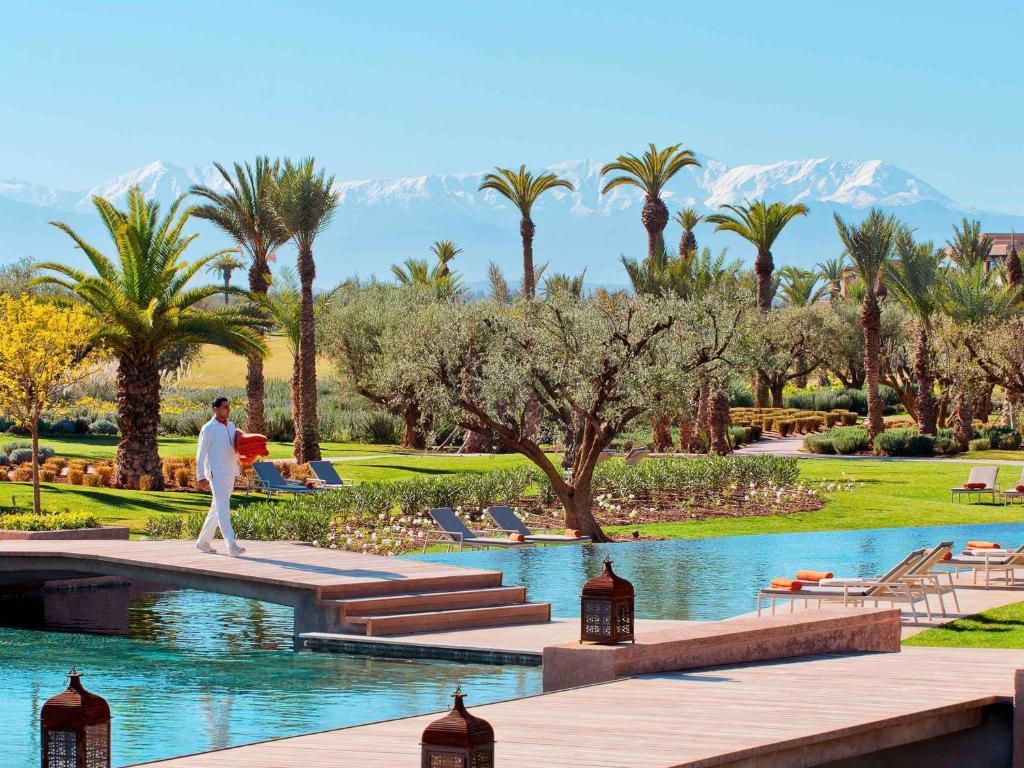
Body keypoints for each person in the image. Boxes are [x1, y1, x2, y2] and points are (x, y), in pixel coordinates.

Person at [195, 397, 245, 556]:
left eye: (228, 407)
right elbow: (200, 454)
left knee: (217, 507)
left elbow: (235, 448)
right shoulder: (208, 428)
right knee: (223, 508)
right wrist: (200, 476)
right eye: (224, 407)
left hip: (230, 472)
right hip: (216, 474)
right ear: (215, 409)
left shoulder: (232, 426)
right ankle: (232, 545)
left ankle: (203, 542)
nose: (228, 409)